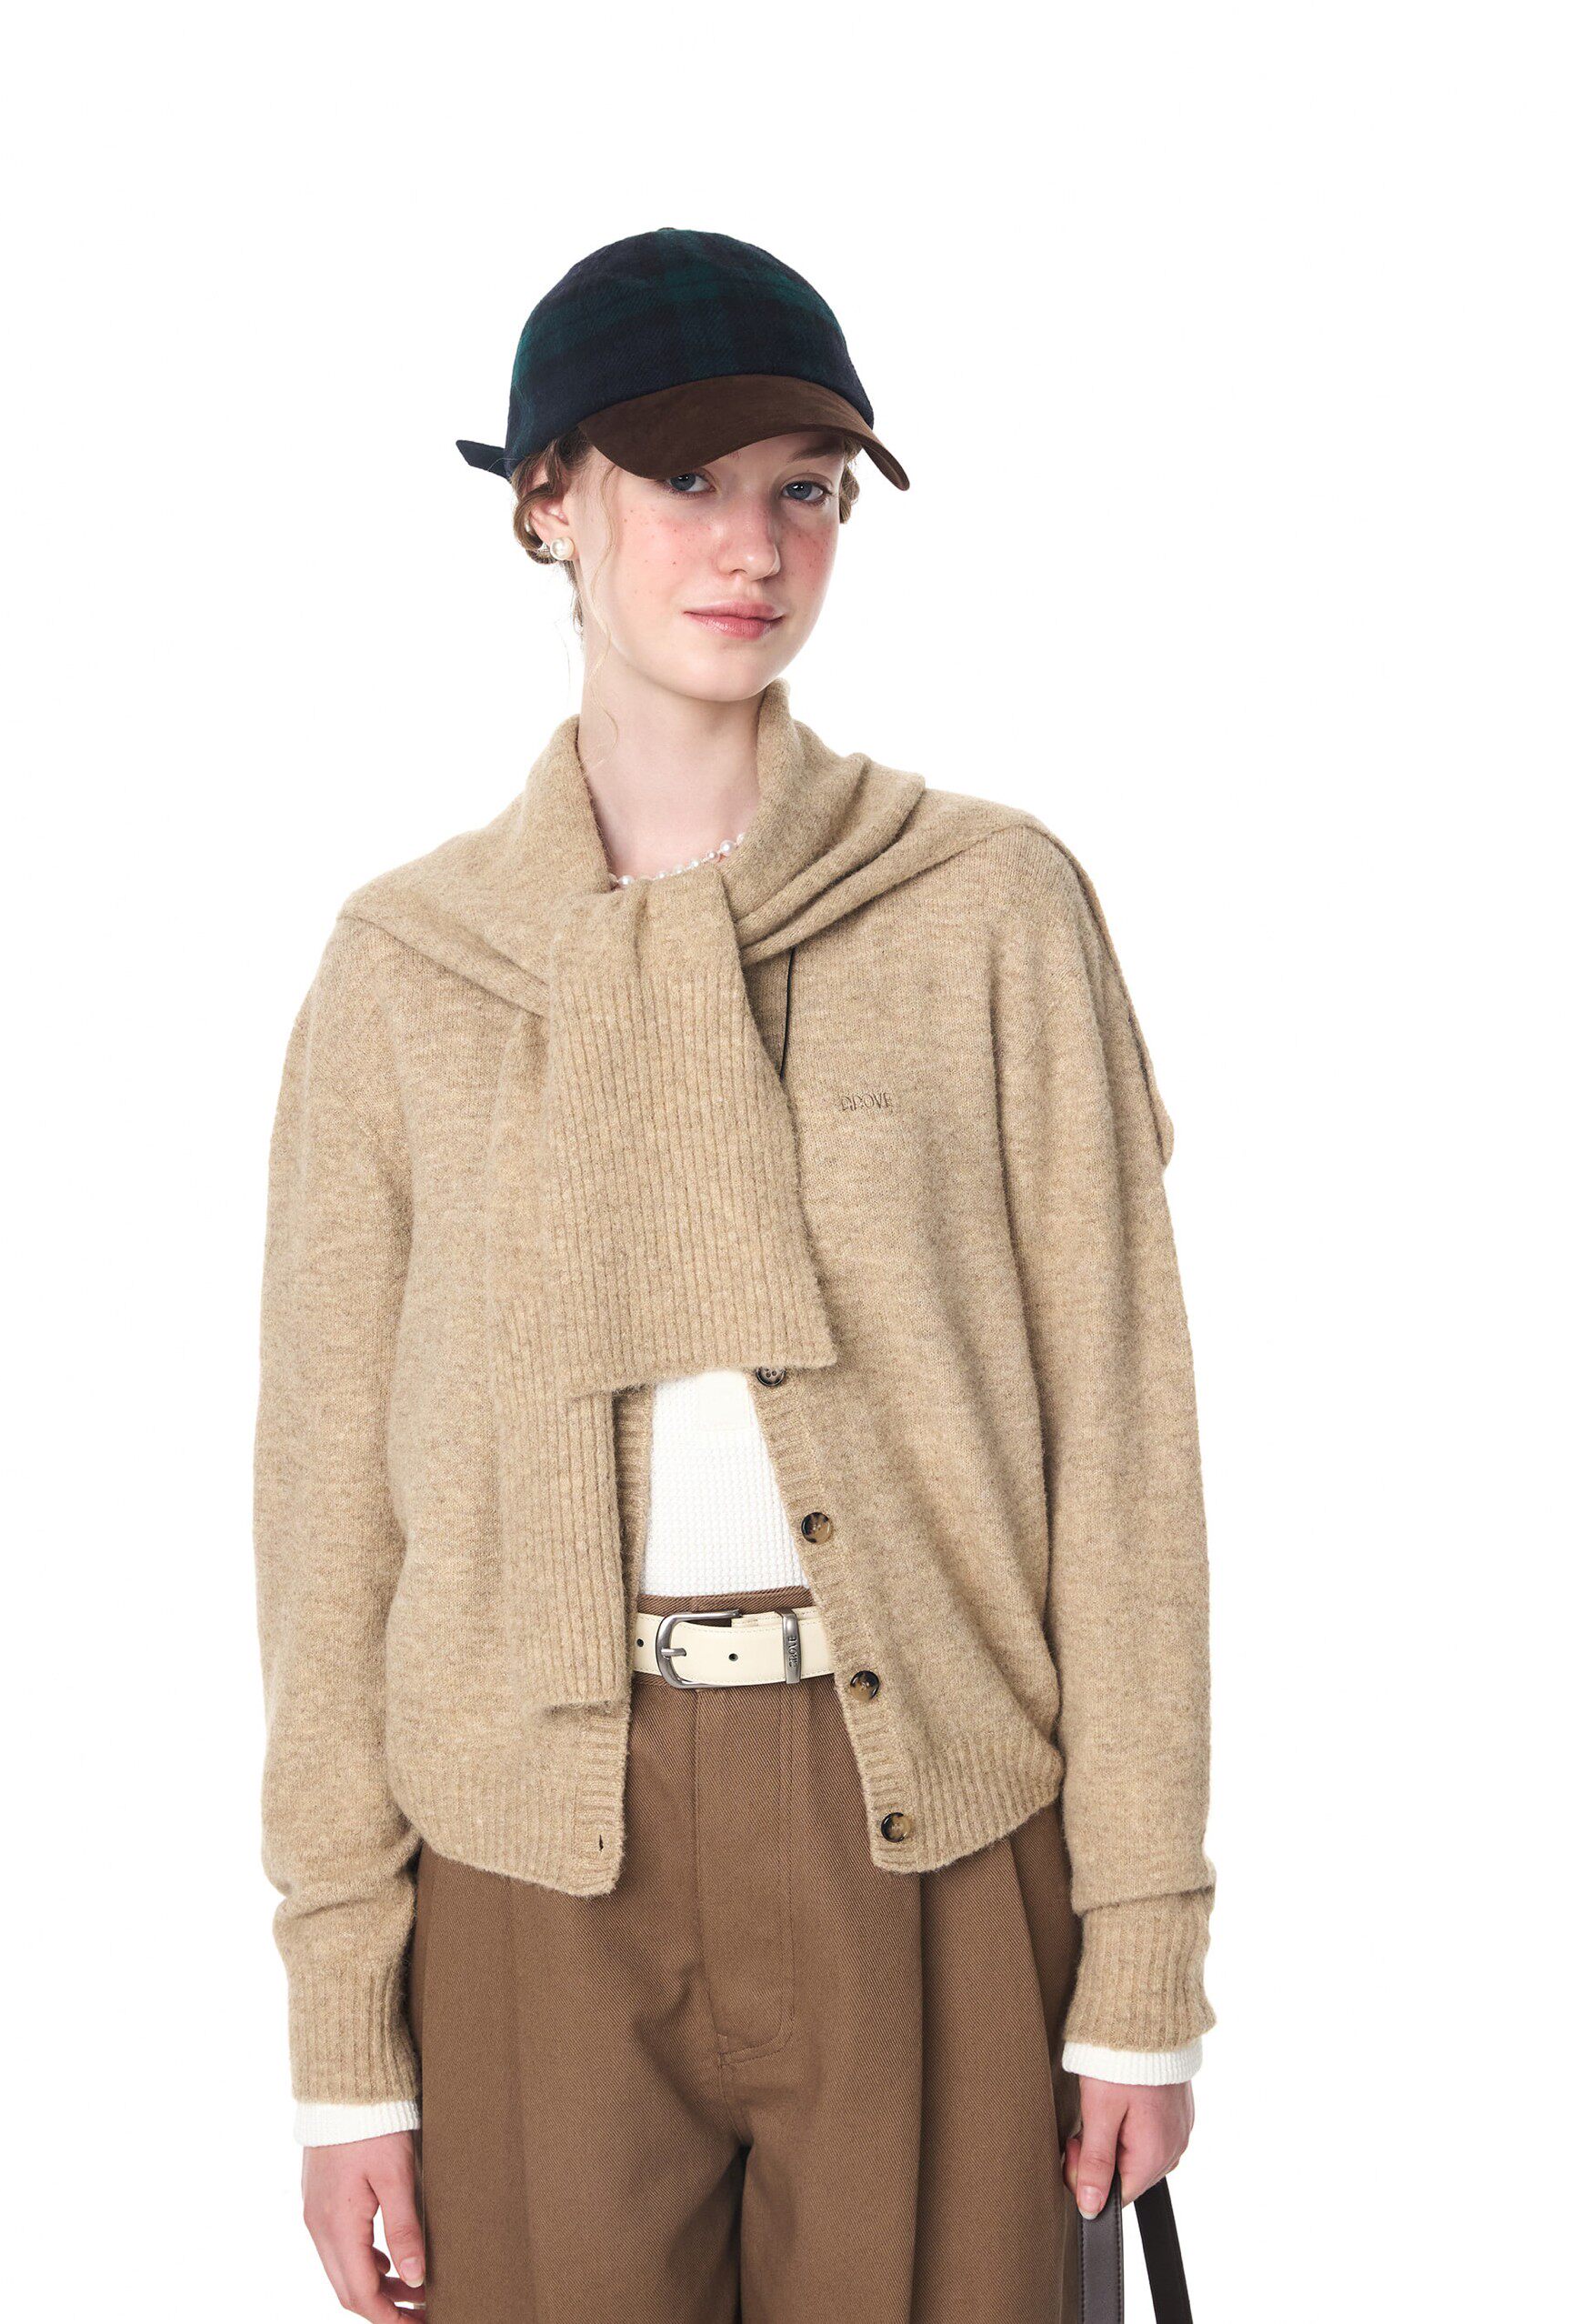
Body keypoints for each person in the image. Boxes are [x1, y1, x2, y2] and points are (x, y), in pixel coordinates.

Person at [254, 226, 1216, 2324]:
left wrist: (1143, 1952)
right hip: (529, 1848)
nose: (754, 544)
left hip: (931, 1828)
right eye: (685, 478)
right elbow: (329, 1521)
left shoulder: (987, 910)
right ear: (548, 503)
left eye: (807, 486)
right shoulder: (409, 972)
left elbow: (1125, 1449)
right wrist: (344, 2037)